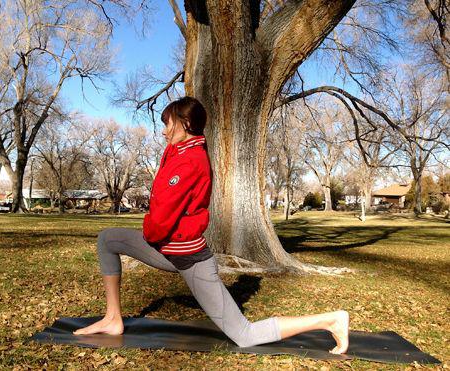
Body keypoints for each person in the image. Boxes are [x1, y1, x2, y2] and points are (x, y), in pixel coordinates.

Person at [73, 96, 349, 354]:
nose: (163, 130)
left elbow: (160, 220)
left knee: (244, 335)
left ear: (186, 124)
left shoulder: (191, 161)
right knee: (108, 239)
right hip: (168, 248)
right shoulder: (178, 153)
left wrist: (149, 232)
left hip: (188, 258)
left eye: (168, 123)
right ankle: (112, 318)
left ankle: (330, 320)